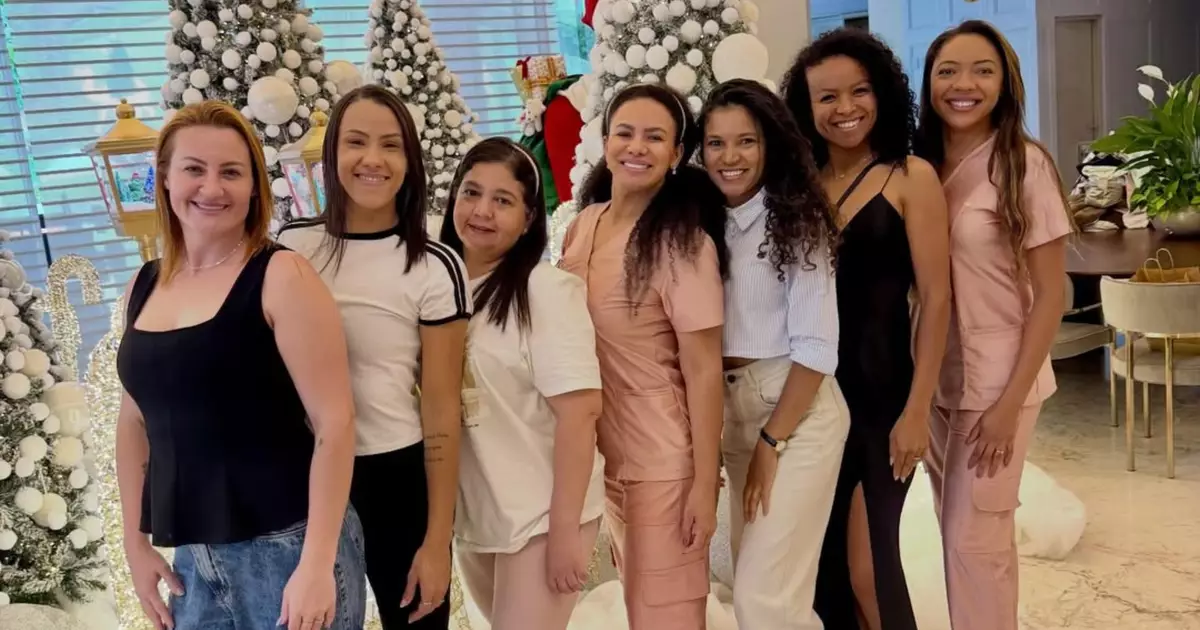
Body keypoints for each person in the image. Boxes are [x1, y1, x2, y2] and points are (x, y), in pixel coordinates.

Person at [114, 100, 365, 630]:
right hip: (192, 555)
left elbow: (335, 423)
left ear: (254, 187)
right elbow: (133, 420)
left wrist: (317, 564)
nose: (212, 188)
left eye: (231, 172)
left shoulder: (283, 276)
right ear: (165, 177)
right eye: (194, 169)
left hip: (290, 545)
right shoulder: (143, 284)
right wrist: (135, 544)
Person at [277, 85, 469, 630]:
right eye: (356, 142)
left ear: (410, 160)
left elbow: (441, 408)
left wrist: (437, 541)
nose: (372, 159)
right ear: (332, 152)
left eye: (390, 145)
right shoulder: (292, 248)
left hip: (395, 475)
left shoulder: (434, 264)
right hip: (303, 474)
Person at [784, 28, 952, 630]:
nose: (845, 108)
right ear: (806, 107)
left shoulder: (910, 176)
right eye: (826, 97)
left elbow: (937, 300)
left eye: (859, 91)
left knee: (870, 571)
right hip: (812, 400)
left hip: (884, 403)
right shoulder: (798, 187)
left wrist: (918, 409)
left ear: (881, 92)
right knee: (826, 573)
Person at [914, 20, 1072, 630]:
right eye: (948, 71)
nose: (964, 85)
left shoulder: (1023, 164)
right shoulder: (920, 165)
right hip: (935, 377)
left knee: (974, 541)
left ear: (1005, 82)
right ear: (929, 82)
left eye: (982, 71)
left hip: (1000, 381)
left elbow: (1050, 295)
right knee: (959, 535)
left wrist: (1008, 404)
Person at [557, 83, 727, 630]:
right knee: (638, 610)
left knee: (666, 615)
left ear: (676, 154)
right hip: (606, 461)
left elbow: (704, 372)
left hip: (663, 465)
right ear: (605, 141)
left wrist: (705, 484)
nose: (636, 147)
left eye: (655, 137)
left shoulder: (684, 245)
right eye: (624, 133)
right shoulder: (584, 224)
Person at [695, 78, 848, 629]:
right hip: (734, 413)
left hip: (796, 414)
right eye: (716, 143)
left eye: (746, 141)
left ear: (769, 145)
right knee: (760, 588)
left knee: (765, 596)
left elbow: (817, 348)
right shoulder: (703, 220)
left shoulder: (797, 220)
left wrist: (771, 441)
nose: (730, 157)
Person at [438, 137, 604, 629]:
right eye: (471, 193)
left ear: (529, 218)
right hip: (478, 514)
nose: (482, 211)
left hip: (541, 514)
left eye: (503, 200)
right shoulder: (438, 289)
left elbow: (580, 414)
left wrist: (564, 531)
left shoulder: (544, 291)